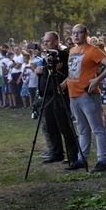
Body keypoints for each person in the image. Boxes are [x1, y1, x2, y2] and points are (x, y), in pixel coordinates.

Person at [65, 24, 106, 172]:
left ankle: (102, 160)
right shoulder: (72, 50)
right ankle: (82, 158)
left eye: (80, 33)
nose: (76, 35)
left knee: (97, 128)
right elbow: (74, 71)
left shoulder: (93, 50)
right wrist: (64, 83)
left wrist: (97, 79)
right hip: (73, 93)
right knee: (82, 128)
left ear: (86, 34)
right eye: (74, 33)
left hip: (88, 94)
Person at [36, 31, 78, 166]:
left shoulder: (63, 55)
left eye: (47, 41)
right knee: (51, 126)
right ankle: (56, 152)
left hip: (59, 95)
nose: (44, 44)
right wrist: (39, 72)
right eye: (44, 41)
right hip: (47, 95)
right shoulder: (47, 56)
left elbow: (66, 72)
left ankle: (73, 155)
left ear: (55, 42)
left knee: (64, 125)